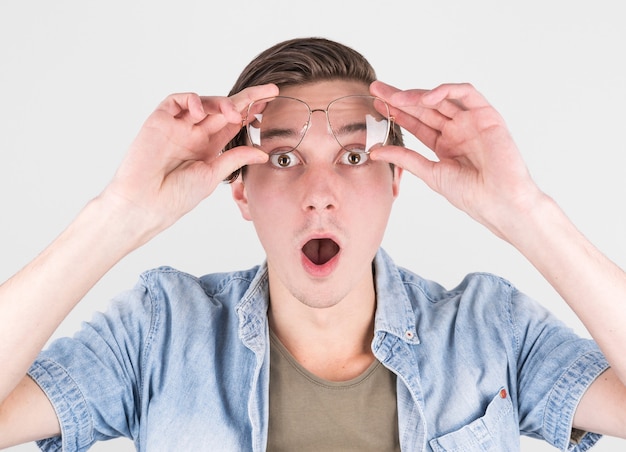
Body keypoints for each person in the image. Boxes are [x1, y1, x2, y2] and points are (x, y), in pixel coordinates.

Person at [0, 36, 625, 451]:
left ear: (396, 178)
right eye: (282, 157)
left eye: (354, 154)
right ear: (239, 190)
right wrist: (119, 215)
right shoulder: (160, 332)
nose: (319, 192)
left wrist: (526, 212)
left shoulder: (492, 329)